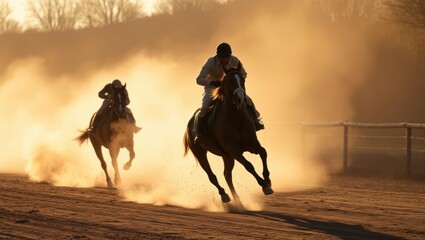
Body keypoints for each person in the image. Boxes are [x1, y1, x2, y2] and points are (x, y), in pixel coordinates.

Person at [194, 42, 264, 144]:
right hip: (213, 88)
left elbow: (244, 74)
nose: (224, 60)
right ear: (217, 56)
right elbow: (199, 79)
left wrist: (235, 82)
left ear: (229, 55)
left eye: (226, 57)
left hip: (230, 88)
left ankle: (256, 121)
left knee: (248, 100)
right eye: (221, 57)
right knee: (205, 107)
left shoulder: (235, 60)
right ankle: (199, 133)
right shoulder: (210, 62)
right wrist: (211, 82)